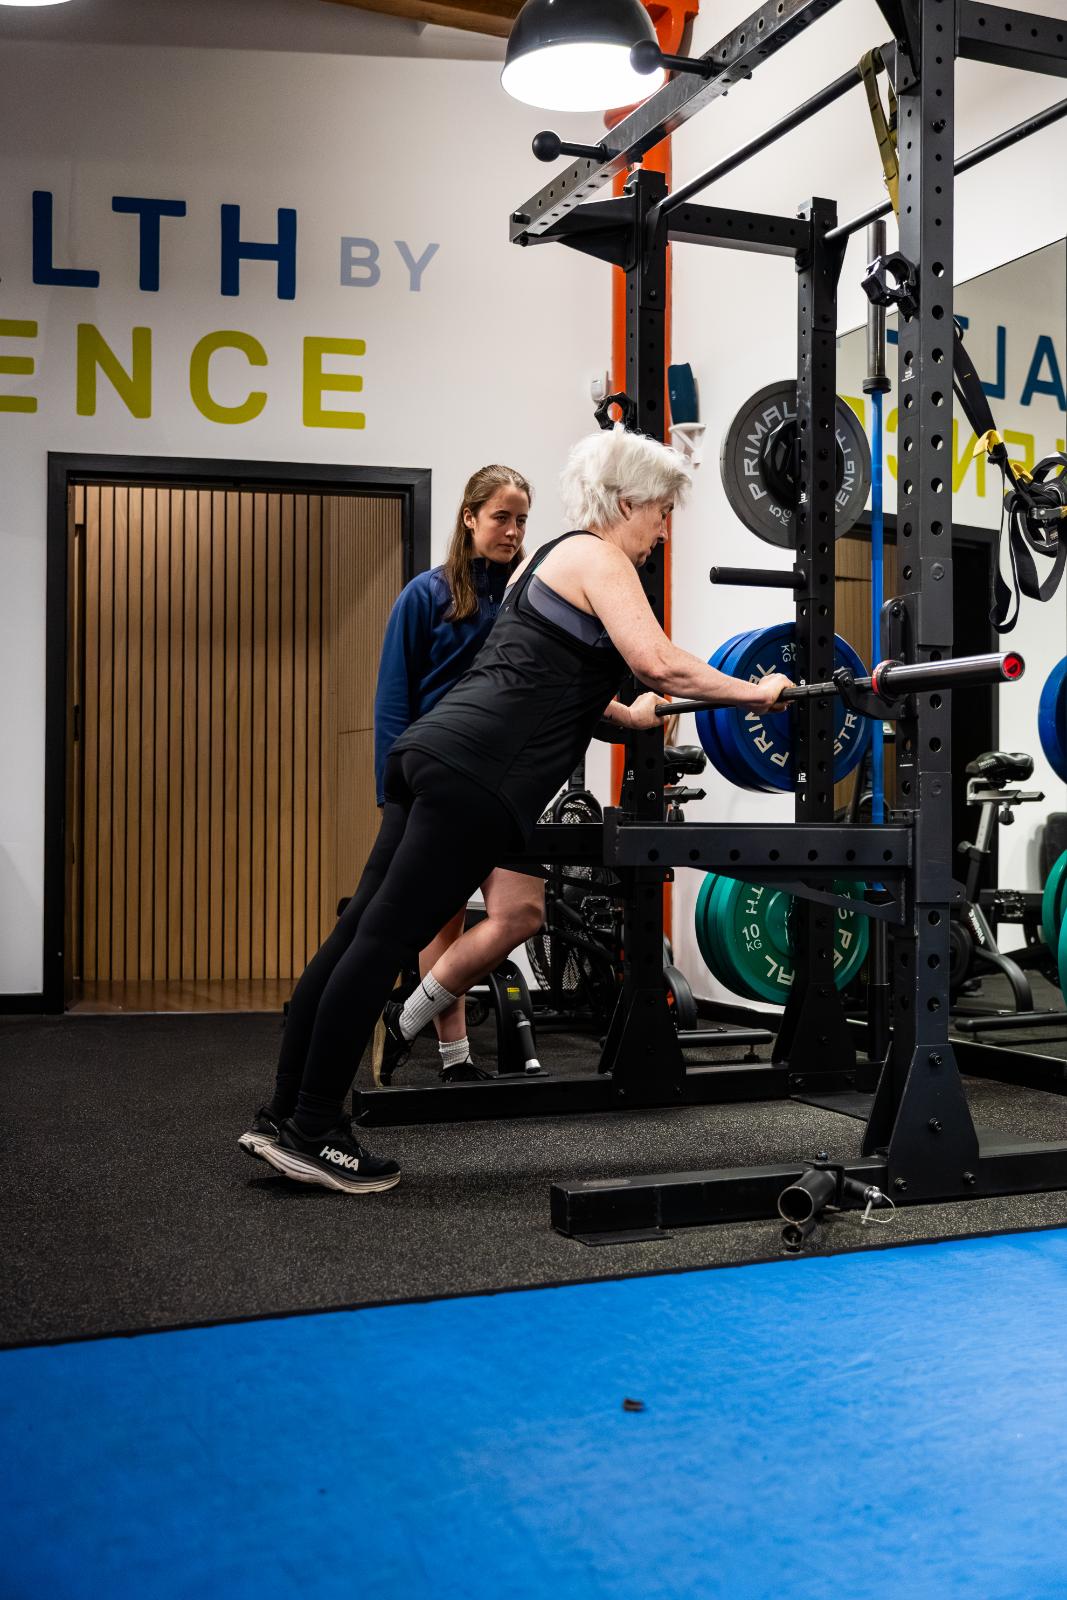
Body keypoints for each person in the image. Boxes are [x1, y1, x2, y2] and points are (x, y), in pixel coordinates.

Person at [241, 425, 793, 1195]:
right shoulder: (601, 558)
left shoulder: (547, 556)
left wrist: (624, 718)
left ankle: (281, 1114)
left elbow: (539, 674)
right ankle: (313, 1128)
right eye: (661, 511)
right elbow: (657, 661)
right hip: (476, 777)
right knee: (383, 944)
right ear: (627, 501)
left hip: (434, 754)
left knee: (356, 937)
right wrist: (754, 690)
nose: (663, 529)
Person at [370, 464, 545, 1085]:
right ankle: (455, 1059)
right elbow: (393, 700)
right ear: (469, 517)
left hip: (509, 783)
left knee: (521, 913)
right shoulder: (425, 595)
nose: (513, 530)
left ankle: (405, 1020)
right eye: (501, 517)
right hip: (437, 781)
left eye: (522, 519)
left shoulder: (530, 598)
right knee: (440, 919)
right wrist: (393, 795)